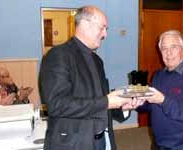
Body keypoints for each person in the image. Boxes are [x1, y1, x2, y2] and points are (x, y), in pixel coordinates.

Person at [39, 5, 142, 150]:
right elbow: (57, 104)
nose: (105, 34)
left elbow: (97, 101)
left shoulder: (97, 61)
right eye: (102, 28)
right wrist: (107, 101)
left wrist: (121, 107)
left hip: (102, 140)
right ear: (85, 25)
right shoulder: (58, 55)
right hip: (73, 144)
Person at [137, 30, 183, 150]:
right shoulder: (158, 75)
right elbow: (153, 104)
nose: (168, 53)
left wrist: (162, 100)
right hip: (158, 143)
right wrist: (138, 103)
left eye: (173, 47)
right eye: (164, 48)